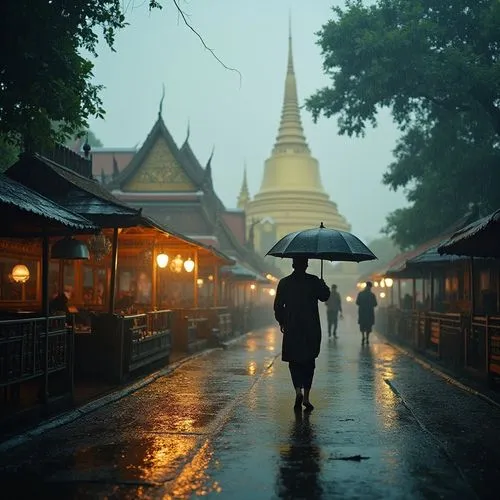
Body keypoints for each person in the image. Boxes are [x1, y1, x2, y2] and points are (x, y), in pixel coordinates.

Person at [274, 256, 330, 412]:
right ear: (306, 265)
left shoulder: (284, 282)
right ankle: (306, 397)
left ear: (293, 265)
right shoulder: (313, 281)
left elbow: (278, 306)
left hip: (292, 327)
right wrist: (323, 285)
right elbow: (325, 297)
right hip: (310, 327)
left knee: (294, 361)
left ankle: (298, 390)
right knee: (309, 362)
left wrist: (282, 321)